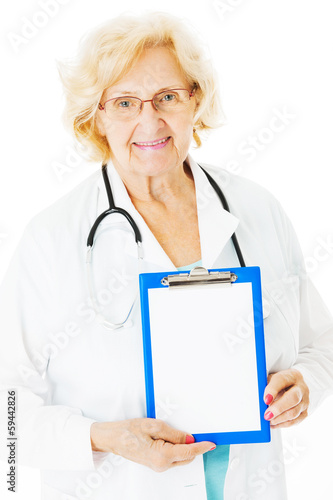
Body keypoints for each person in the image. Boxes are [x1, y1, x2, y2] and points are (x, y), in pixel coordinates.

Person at [0, 10, 333, 500]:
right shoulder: (50, 239)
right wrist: (105, 437)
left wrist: (304, 384)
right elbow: (8, 421)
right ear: (96, 115)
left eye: (167, 98)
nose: (149, 120)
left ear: (195, 100)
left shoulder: (258, 210)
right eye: (125, 102)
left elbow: (320, 347)